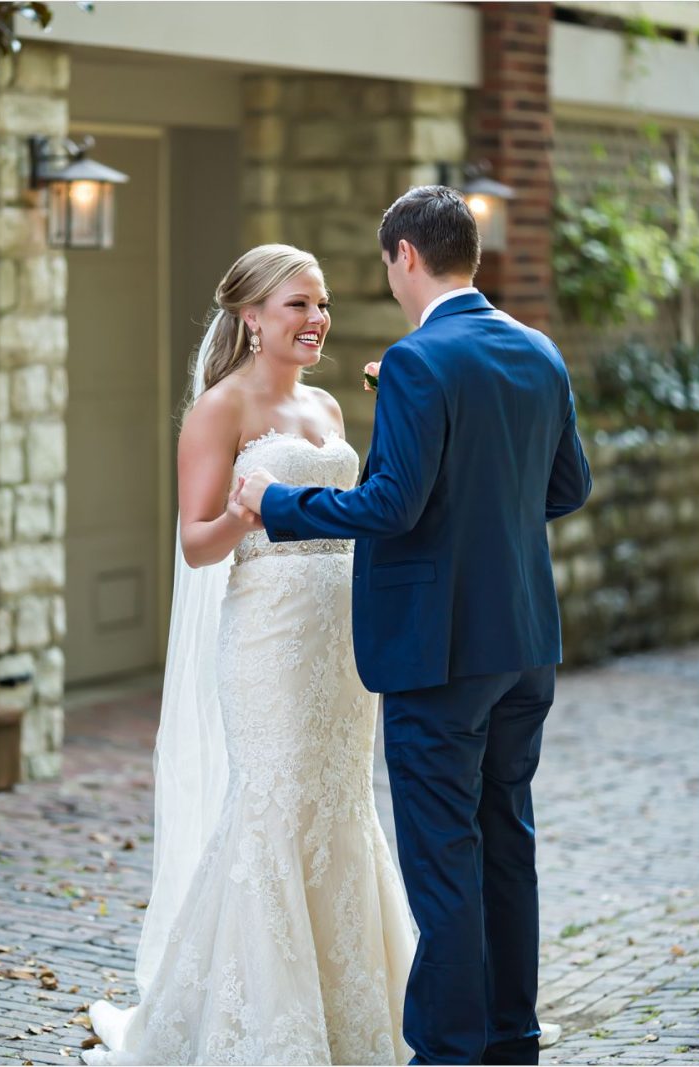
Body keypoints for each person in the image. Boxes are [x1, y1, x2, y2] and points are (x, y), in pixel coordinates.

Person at [234, 185, 592, 1064]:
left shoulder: (419, 361)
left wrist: (280, 501)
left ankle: (448, 1052)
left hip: (439, 649)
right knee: (507, 840)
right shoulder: (538, 351)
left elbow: (392, 505)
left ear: (404, 257)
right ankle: (513, 1039)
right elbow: (568, 487)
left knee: (443, 860)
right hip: (524, 643)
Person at [85, 243, 417, 1064]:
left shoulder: (331, 411)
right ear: (252, 316)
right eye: (298, 304)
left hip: (341, 635)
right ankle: (265, 1027)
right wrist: (248, 513)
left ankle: (355, 1010)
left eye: (323, 303)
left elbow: (354, 512)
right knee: (273, 802)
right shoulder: (219, 410)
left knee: (343, 801)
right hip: (268, 639)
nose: (317, 320)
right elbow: (198, 544)